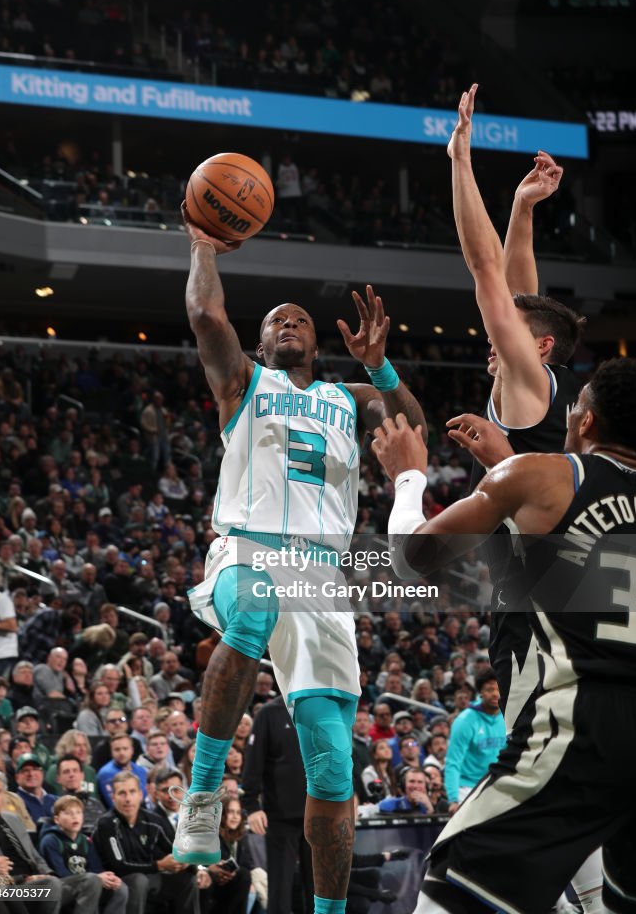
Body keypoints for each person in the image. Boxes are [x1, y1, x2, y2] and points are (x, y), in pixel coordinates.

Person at [176, 202, 425, 914]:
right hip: (248, 549)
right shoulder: (244, 384)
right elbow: (206, 317)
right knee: (252, 609)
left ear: (318, 341)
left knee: (332, 765)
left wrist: (379, 366)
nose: (287, 324)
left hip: (323, 577)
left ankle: (329, 912)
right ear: (259, 343)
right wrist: (203, 247)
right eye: (274, 321)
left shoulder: (351, 396)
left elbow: (412, 429)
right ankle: (201, 799)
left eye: (299, 320)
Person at [372, 357, 636, 914]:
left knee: (449, 892)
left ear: (587, 421)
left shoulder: (541, 476)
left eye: (575, 406)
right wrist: (509, 468)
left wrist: (408, 476)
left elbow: (410, 558)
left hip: (584, 722)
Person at [443, 85, 601, 912]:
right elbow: (517, 281)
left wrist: (461, 161)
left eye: (508, 326)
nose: (491, 332)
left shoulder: (530, 381)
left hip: (533, 591)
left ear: (534, 344)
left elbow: (486, 274)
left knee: (531, 770)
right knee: (571, 760)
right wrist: (522, 208)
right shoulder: (555, 387)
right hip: (576, 577)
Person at [241, 694, 312, 914]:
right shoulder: (269, 713)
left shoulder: (323, 708)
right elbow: (253, 761)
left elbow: (339, 756)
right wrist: (251, 805)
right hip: (281, 815)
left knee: (322, 891)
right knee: (280, 890)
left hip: (320, 815)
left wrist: (349, 795)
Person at [93, 769, 200, 914]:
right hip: (117, 881)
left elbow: (176, 850)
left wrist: (192, 867)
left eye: (132, 792)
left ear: (140, 794)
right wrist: (159, 865)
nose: (128, 799)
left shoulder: (153, 821)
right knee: (139, 880)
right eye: (122, 793)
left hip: (150, 877)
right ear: (113, 797)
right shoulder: (107, 824)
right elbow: (119, 866)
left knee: (187, 879)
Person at [0, 767, 62, 913]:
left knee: (88, 881)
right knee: (51, 886)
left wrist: (47, 873)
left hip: (35, 881)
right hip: (10, 887)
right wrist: (23, 878)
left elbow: (34, 855)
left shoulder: (14, 819)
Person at [39, 795, 127, 914]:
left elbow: (96, 868)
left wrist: (107, 878)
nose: (74, 816)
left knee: (120, 888)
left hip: (89, 881)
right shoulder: (50, 841)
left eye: (78, 812)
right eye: (68, 813)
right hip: (62, 887)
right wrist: (95, 877)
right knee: (92, 881)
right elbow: (60, 874)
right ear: (57, 819)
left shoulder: (86, 841)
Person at [442, 668, 506, 812]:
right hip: (468, 787)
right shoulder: (464, 721)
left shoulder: (508, 717)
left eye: (498, 689)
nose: (495, 694)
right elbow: (453, 762)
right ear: (480, 693)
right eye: (490, 689)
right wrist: (453, 799)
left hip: (498, 785)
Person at [97, 735, 147, 806]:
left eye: (125, 749)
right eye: (117, 749)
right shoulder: (105, 773)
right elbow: (114, 804)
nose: (122, 753)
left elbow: (145, 798)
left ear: (132, 750)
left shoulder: (141, 771)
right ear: (111, 752)